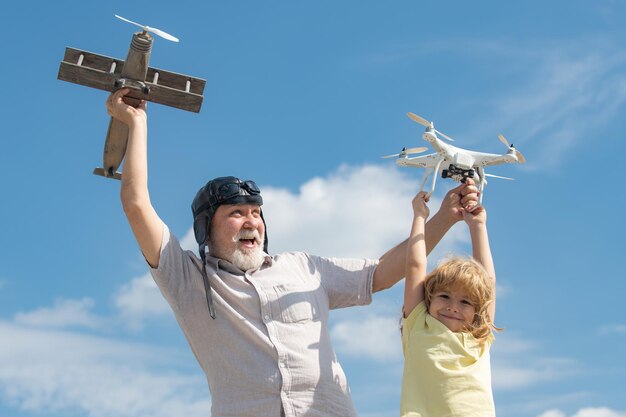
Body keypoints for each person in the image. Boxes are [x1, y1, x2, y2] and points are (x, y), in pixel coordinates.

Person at [105, 88, 480, 417]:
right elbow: (137, 204)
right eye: (236, 213)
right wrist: (137, 123)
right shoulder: (187, 279)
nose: (251, 221)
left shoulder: (304, 268)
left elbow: (380, 273)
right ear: (205, 228)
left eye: (256, 213)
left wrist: (446, 218)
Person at [400, 191, 498, 417]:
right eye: (444, 296)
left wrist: (478, 226)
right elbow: (414, 265)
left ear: (476, 310)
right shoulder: (418, 325)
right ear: (429, 297)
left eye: (465, 301)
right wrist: (419, 217)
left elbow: (488, 283)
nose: (453, 306)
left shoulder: (479, 335)